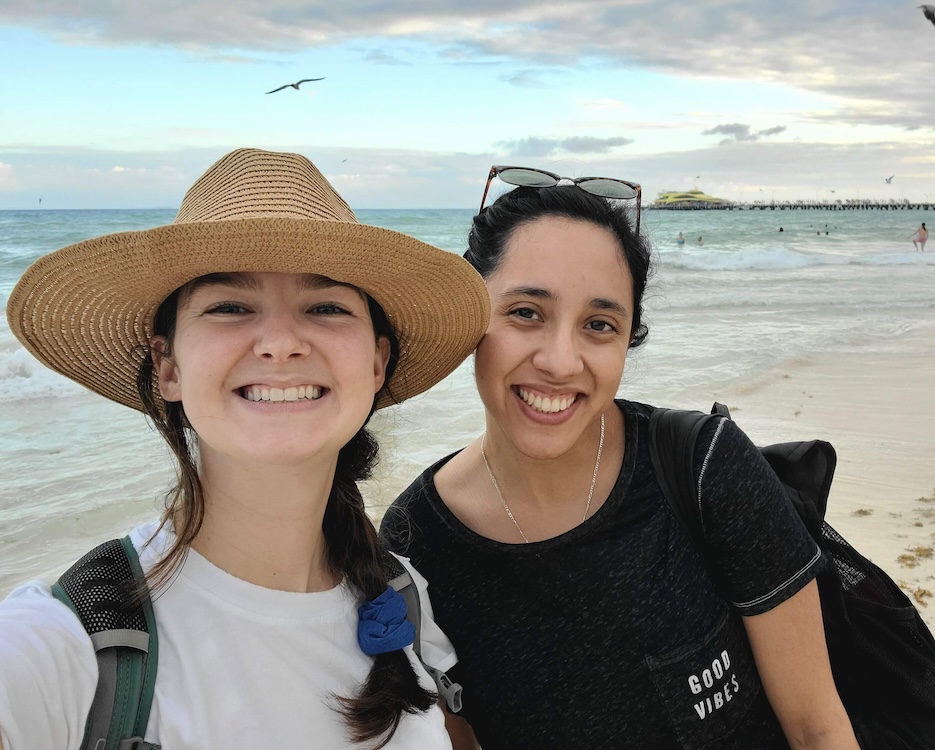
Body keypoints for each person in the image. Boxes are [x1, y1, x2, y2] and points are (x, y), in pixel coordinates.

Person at [0, 148, 490, 749]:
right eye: (230, 307)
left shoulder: (404, 598)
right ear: (167, 366)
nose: (281, 343)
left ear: (377, 363)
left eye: (327, 307)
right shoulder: (69, 641)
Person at [381, 166, 860, 749]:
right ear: (471, 319)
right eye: (526, 312)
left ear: (628, 338)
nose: (560, 361)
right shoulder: (415, 545)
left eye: (599, 325)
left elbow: (817, 728)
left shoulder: (701, 467)